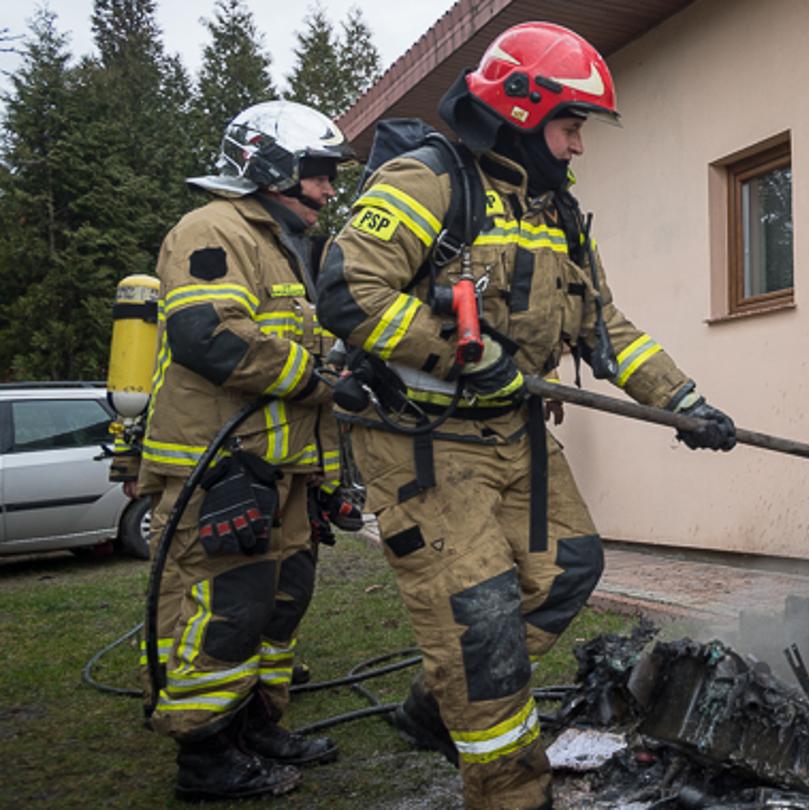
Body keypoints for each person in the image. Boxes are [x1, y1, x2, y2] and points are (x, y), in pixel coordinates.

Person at [316, 21, 736, 809]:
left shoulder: (559, 214)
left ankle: (434, 705)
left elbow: (604, 329)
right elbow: (348, 291)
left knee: (569, 569)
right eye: (571, 124)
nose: (578, 144)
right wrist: (464, 353)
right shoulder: (429, 181)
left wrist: (684, 402)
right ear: (521, 107)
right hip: (423, 442)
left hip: (514, 434)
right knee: (482, 624)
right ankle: (511, 791)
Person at [139, 99, 361, 800]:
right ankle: (204, 753)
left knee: (281, 603)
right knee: (226, 606)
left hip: (281, 470)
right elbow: (209, 337)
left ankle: (257, 723)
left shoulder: (284, 244)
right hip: (218, 467)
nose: (328, 189)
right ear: (270, 168)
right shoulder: (210, 229)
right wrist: (320, 382)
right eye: (318, 173)